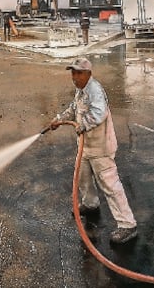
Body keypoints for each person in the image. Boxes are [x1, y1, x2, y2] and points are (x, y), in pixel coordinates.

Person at [48, 58, 138, 245]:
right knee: (83, 178)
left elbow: (99, 113)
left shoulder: (95, 90)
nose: (74, 77)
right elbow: (74, 108)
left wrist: (83, 125)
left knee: (110, 184)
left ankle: (127, 225)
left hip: (101, 147)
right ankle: (90, 204)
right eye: (73, 72)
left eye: (78, 73)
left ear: (88, 74)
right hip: (86, 146)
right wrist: (60, 119)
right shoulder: (81, 91)